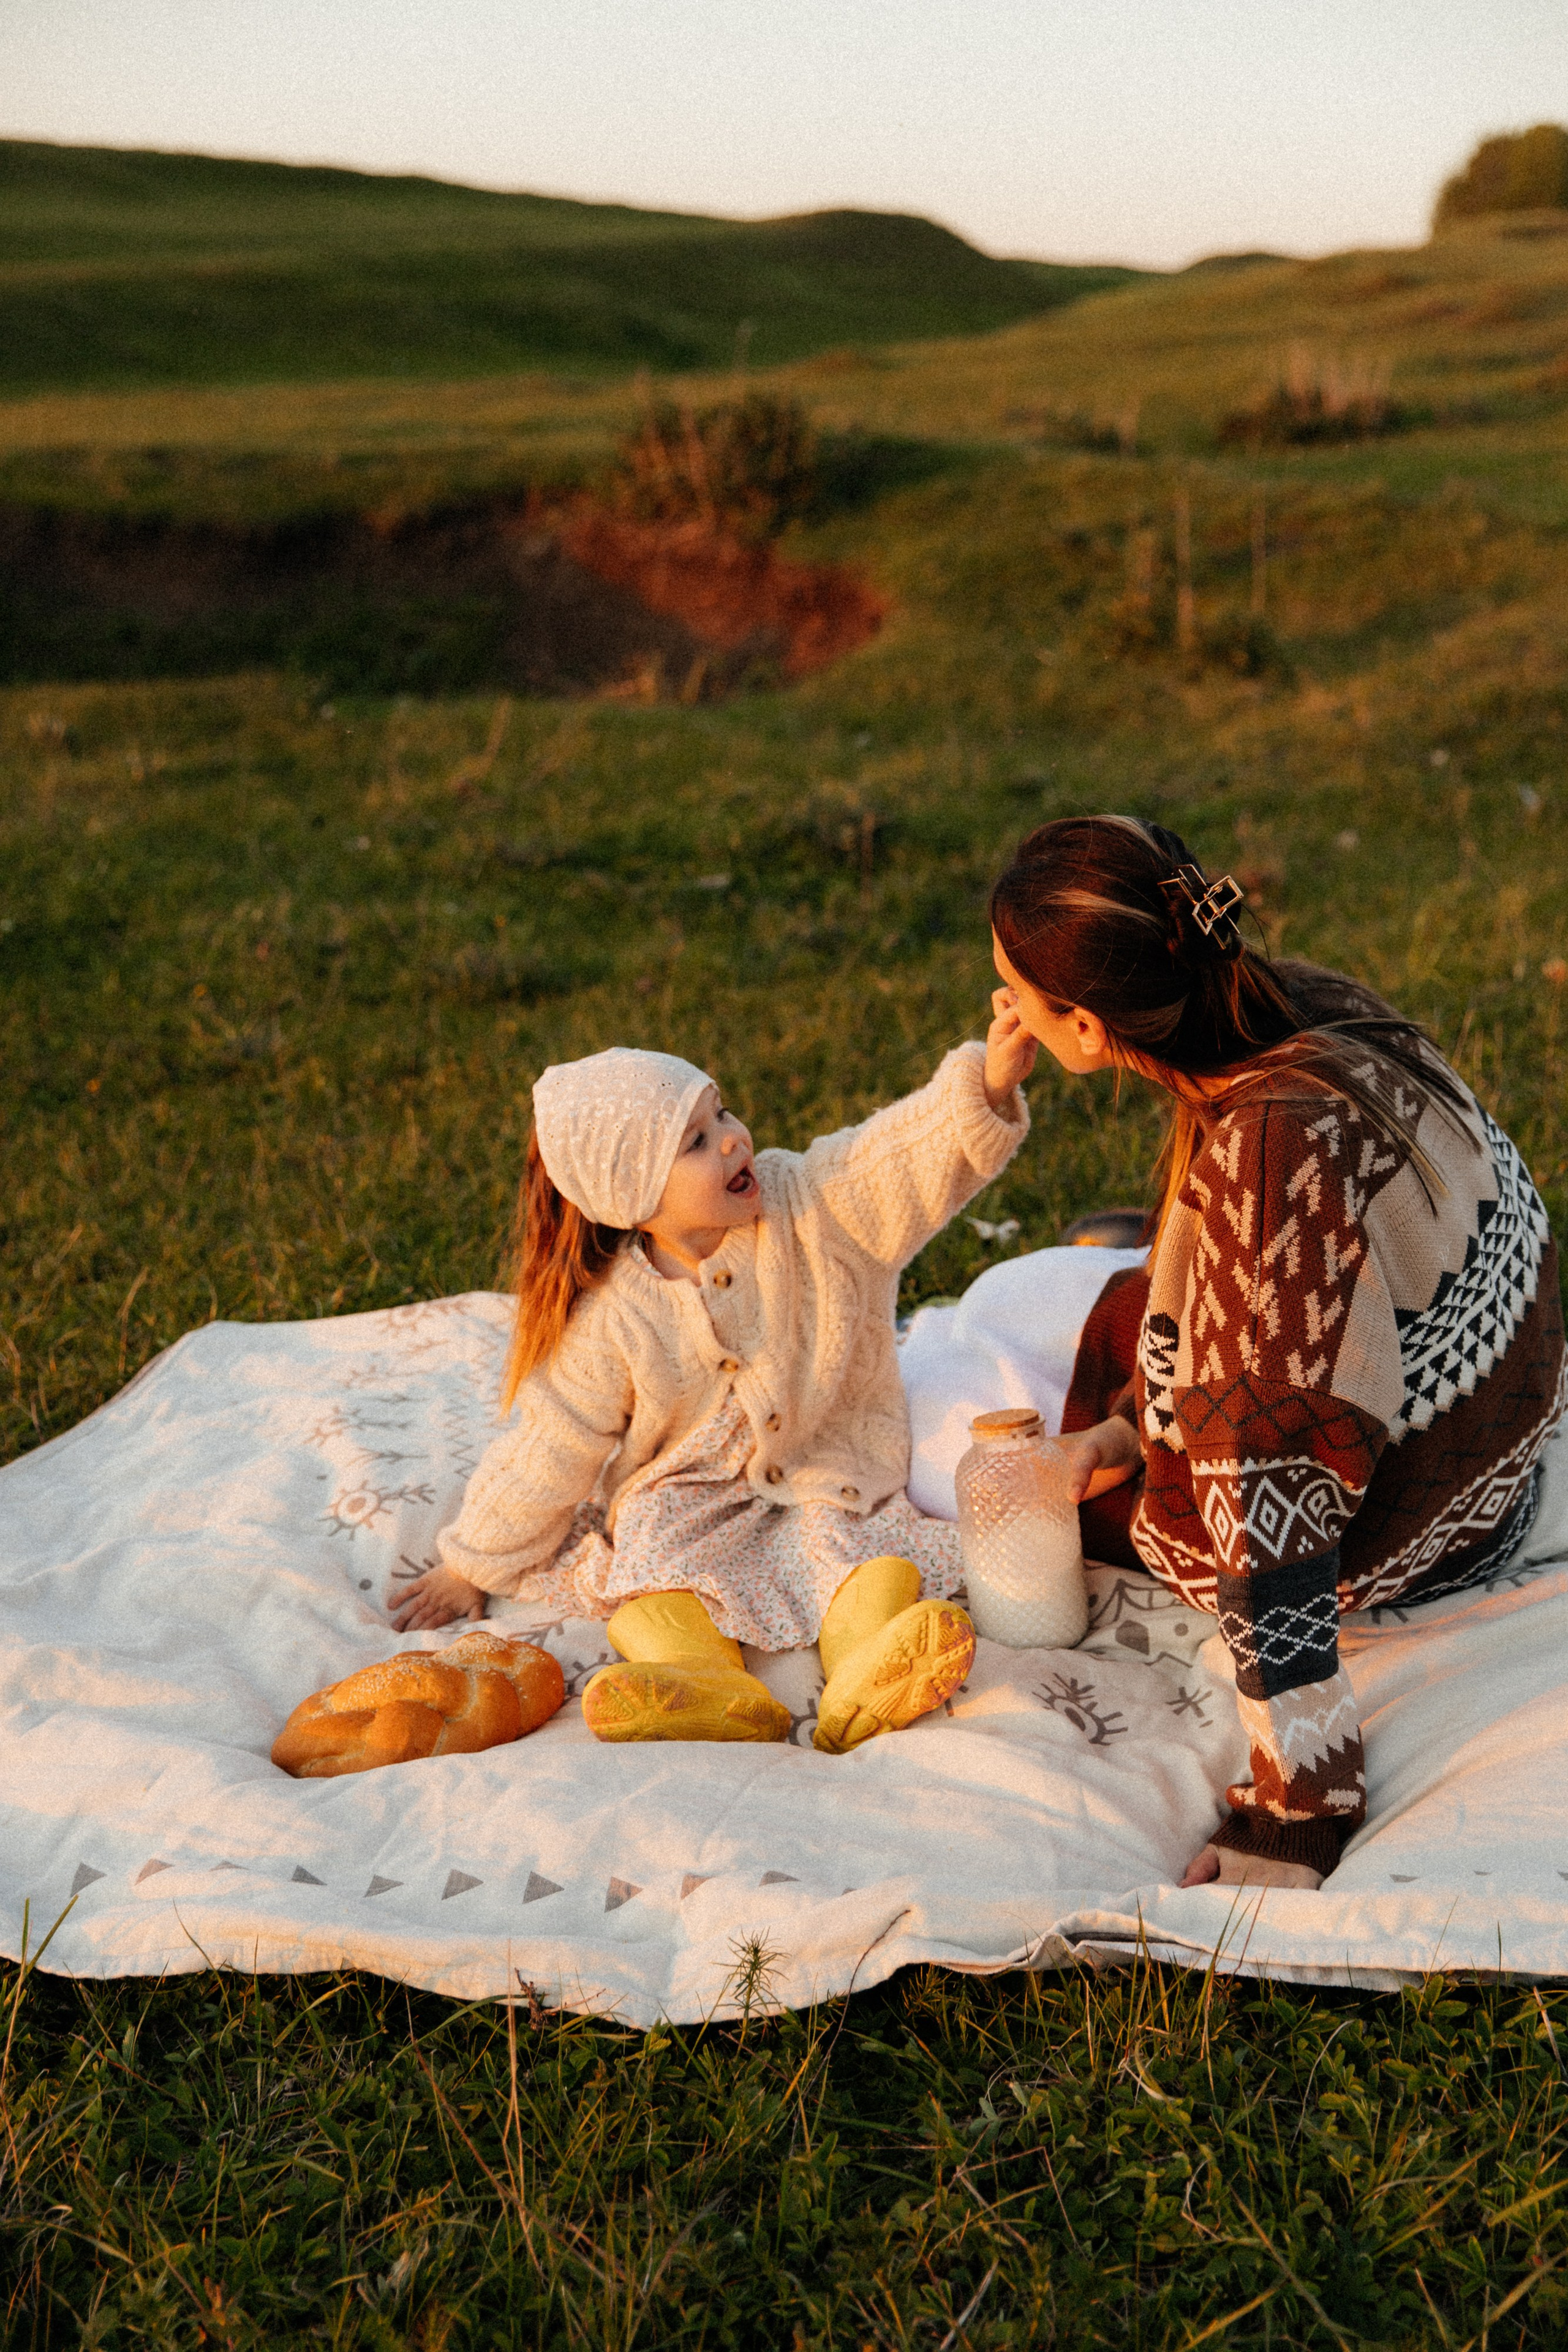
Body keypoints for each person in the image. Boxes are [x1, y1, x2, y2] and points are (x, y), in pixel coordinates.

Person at [987, 815, 1565, 1890]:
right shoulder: (1306, 1004)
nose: (1003, 1011)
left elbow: (1269, 1524)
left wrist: (1298, 1810)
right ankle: (1116, 1342)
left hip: (1419, 1529)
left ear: (1081, 1027)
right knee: (1092, 1312)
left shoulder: (1264, 1173)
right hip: (1499, 1437)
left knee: (996, 1443)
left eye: (1017, 993)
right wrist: (1131, 1420)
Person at [392, 1022, 1050, 1751]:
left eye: (723, 1114)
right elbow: (552, 1444)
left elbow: (889, 1162)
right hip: (686, 1498)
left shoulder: (810, 1209)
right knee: (652, 1575)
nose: (734, 1140)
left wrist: (985, 1086)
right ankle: (700, 1684)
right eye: (696, 1143)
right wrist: (471, 1561)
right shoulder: (615, 1316)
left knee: (859, 1557)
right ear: (633, 1198)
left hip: (821, 1469)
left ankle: (871, 1669)